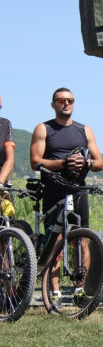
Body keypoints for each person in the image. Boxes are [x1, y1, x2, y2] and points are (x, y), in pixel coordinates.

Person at [30, 87, 103, 308]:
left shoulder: (85, 130)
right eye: (61, 100)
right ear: (53, 104)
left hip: (78, 189)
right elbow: (36, 161)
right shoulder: (43, 128)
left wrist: (86, 163)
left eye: (70, 100)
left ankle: (79, 289)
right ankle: (54, 292)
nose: (66, 103)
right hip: (53, 189)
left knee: (82, 239)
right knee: (56, 240)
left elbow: (99, 163)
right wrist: (63, 163)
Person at [0, 93, 17, 312]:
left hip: (0, 188)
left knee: (3, 243)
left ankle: (10, 294)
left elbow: (9, 160)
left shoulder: (5, 125)